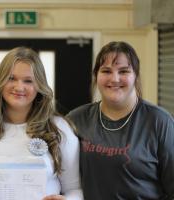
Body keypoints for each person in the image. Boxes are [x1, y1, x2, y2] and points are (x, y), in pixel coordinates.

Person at [0, 47, 83, 200]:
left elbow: (75, 189)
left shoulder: (59, 128)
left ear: (39, 86)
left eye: (28, 81)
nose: (19, 87)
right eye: (11, 78)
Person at [67, 41, 174, 199]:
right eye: (106, 71)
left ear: (135, 75)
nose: (115, 79)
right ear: (96, 76)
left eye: (123, 71)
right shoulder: (76, 119)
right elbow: (63, 178)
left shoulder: (159, 121)